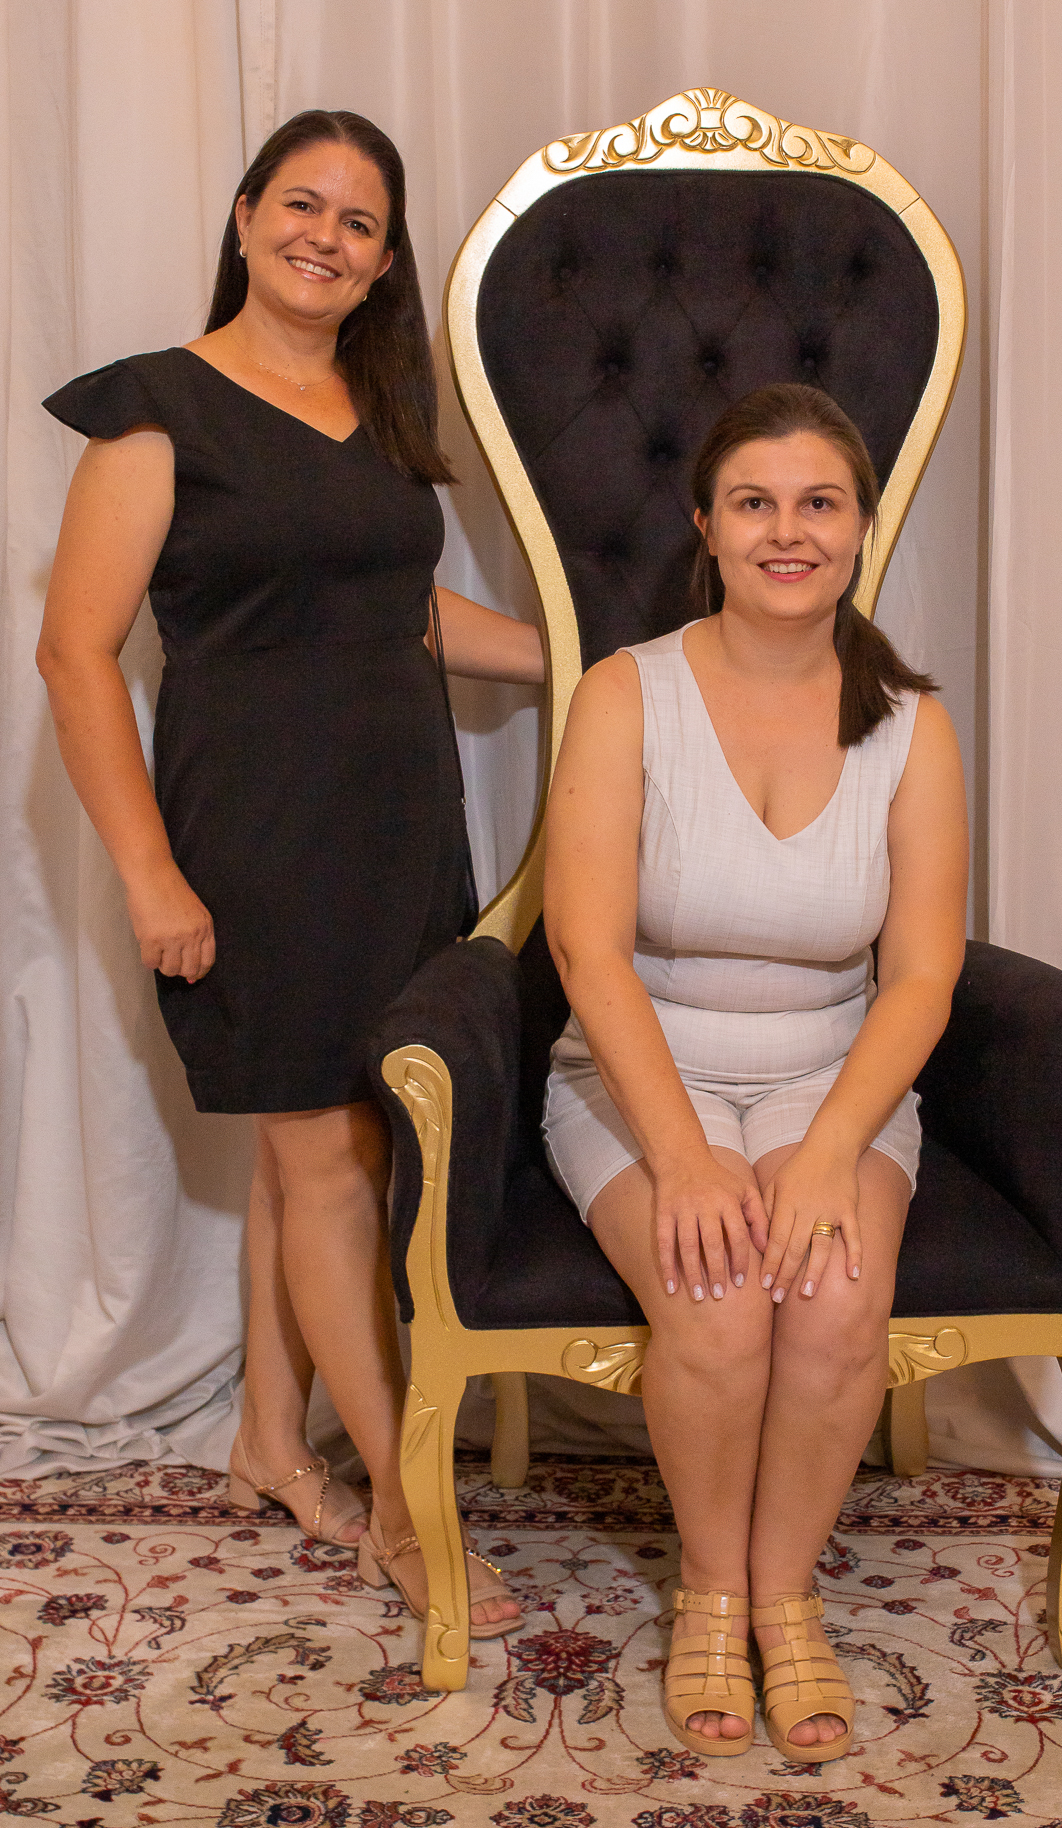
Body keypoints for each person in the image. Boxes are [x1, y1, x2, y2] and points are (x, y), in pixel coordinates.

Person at [37, 110, 540, 1637]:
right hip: (252, 839)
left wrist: (585, 664)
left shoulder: (376, 408)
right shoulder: (157, 410)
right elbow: (73, 654)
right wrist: (150, 874)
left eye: (359, 222)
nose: (326, 236)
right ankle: (403, 1507)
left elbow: (405, 608)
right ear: (248, 215)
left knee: (326, 1147)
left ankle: (269, 1438)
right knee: (328, 1156)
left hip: (398, 827)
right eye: (302, 205)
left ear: (383, 264)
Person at [542, 383, 967, 1760]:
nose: (788, 531)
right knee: (719, 1302)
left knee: (834, 1298)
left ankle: (787, 1597)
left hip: (828, 1077)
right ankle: (710, 1596)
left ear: (859, 527)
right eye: (754, 503)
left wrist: (832, 1150)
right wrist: (681, 1158)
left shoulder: (912, 725)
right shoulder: (626, 694)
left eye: (818, 502)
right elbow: (585, 948)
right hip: (636, 1070)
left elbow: (921, 975)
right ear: (706, 527)